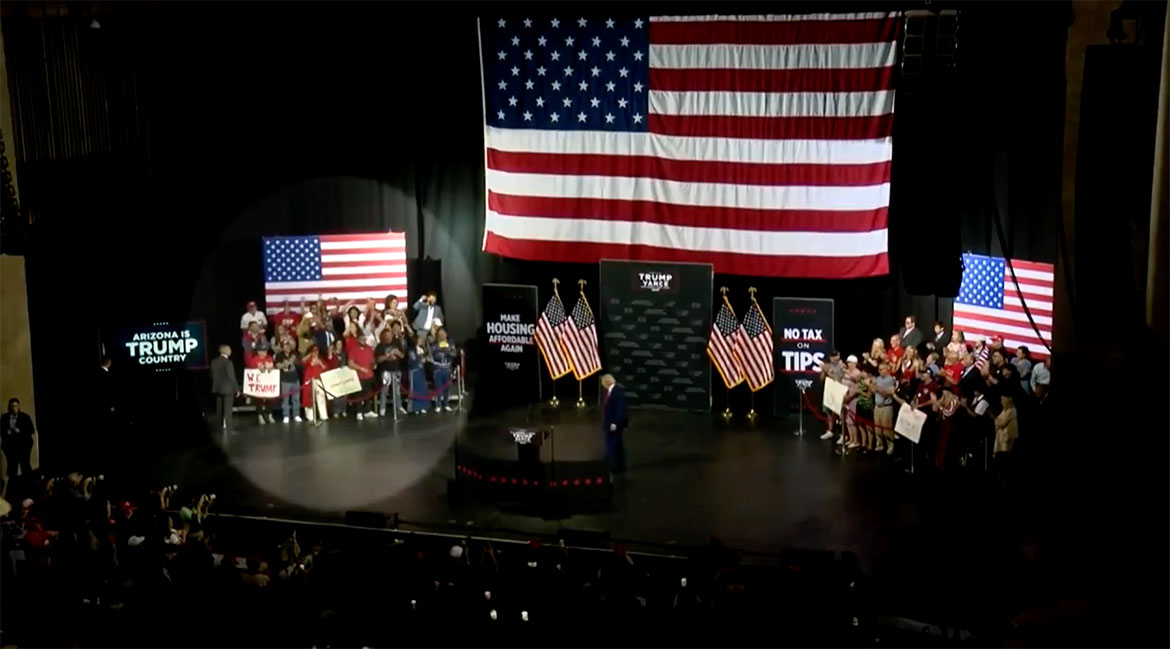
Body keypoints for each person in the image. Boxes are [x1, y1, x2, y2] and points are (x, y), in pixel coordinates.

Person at [344, 326, 377, 420]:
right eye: (361, 339)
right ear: (358, 339)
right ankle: (358, 411)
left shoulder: (369, 349)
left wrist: (373, 364)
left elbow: (372, 360)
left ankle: (367, 411)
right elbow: (350, 363)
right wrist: (361, 369)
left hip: (369, 374)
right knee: (359, 395)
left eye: (364, 339)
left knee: (368, 393)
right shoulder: (353, 349)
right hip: (359, 375)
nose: (363, 340)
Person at [375, 324, 407, 417]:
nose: (389, 338)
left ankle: (399, 406)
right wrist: (388, 356)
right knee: (384, 390)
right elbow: (378, 360)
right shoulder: (380, 346)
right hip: (385, 371)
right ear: (383, 336)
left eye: (390, 336)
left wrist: (397, 352)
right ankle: (382, 408)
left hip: (396, 369)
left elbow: (402, 356)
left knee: (397, 390)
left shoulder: (396, 343)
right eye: (387, 336)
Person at [600, 374, 629, 478]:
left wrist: (615, 424)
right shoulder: (609, 391)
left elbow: (621, 410)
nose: (602, 385)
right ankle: (621, 465)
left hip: (614, 424)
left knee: (612, 445)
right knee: (618, 445)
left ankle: (616, 466)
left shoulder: (617, 392)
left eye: (603, 383)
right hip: (610, 423)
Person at [1, 398, 35, 482]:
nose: (13, 408)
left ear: (18, 406)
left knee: (25, 466)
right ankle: (13, 489)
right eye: (12, 406)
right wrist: (6, 432)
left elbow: (31, 430)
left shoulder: (25, 417)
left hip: (23, 446)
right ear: (9, 407)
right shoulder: (4, 417)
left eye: (15, 406)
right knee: (12, 468)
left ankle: (28, 486)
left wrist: (20, 431)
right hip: (10, 447)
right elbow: (1, 430)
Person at [246, 341, 278, 425]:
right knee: (259, 400)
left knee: (271, 399)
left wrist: (271, 368)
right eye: (262, 350)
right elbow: (253, 369)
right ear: (258, 351)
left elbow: (273, 368)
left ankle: (269, 415)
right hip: (259, 384)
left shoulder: (269, 358)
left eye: (265, 350)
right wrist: (261, 367)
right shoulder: (254, 359)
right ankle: (260, 415)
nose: (264, 352)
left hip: (268, 383)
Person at [210, 345, 240, 433]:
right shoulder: (228, 362)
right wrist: (237, 389)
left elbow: (212, 375)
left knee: (219, 409)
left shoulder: (214, 361)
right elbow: (231, 377)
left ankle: (219, 426)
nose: (230, 351)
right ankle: (229, 428)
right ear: (225, 351)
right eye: (229, 349)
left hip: (217, 388)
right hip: (227, 389)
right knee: (228, 409)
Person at [818, 350, 845, 440]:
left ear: (839, 356)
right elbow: (821, 380)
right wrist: (823, 371)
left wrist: (828, 372)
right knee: (828, 412)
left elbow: (838, 379)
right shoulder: (828, 366)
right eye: (831, 356)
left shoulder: (842, 366)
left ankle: (843, 434)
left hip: (838, 390)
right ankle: (830, 431)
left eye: (835, 356)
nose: (833, 358)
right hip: (829, 390)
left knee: (838, 413)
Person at [872, 363, 898, 455]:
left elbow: (888, 393)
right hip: (877, 406)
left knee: (887, 428)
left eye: (883, 369)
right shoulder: (877, 379)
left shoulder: (890, 380)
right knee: (877, 428)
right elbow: (873, 390)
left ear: (887, 369)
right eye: (880, 369)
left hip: (886, 407)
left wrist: (878, 388)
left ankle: (890, 445)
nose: (881, 371)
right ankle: (879, 444)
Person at [429, 328, 457, 413]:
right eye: (439, 334)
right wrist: (441, 351)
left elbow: (454, 353)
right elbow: (434, 355)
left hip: (447, 368)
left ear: (446, 334)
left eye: (443, 333)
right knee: (438, 387)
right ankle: (438, 405)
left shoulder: (450, 343)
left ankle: (446, 404)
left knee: (447, 387)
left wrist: (448, 351)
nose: (441, 335)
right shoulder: (434, 344)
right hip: (438, 368)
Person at [275, 339, 302, 423]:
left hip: (295, 379)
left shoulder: (295, 354)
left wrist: (294, 361)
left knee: (296, 398)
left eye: (288, 345)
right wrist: (287, 363)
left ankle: (296, 414)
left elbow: (299, 364)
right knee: (285, 399)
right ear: (282, 347)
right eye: (285, 346)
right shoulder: (279, 355)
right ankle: (286, 415)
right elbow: (278, 366)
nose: (288, 347)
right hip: (285, 380)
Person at [300, 345, 329, 424]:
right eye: (314, 351)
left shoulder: (321, 360)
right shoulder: (308, 360)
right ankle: (310, 416)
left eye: (317, 350)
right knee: (308, 398)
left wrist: (319, 363)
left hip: (318, 381)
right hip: (309, 381)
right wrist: (310, 356)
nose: (316, 352)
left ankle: (323, 415)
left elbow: (325, 368)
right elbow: (302, 362)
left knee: (321, 397)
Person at [407, 333, 430, 414]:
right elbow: (413, 359)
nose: (421, 340)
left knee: (422, 388)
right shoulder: (411, 349)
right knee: (415, 389)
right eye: (419, 339)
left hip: (421, 371)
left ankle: (422, 406)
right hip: (414, 371)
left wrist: (425, 358)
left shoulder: (422, 348)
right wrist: (421, 358)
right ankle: (415, 407)